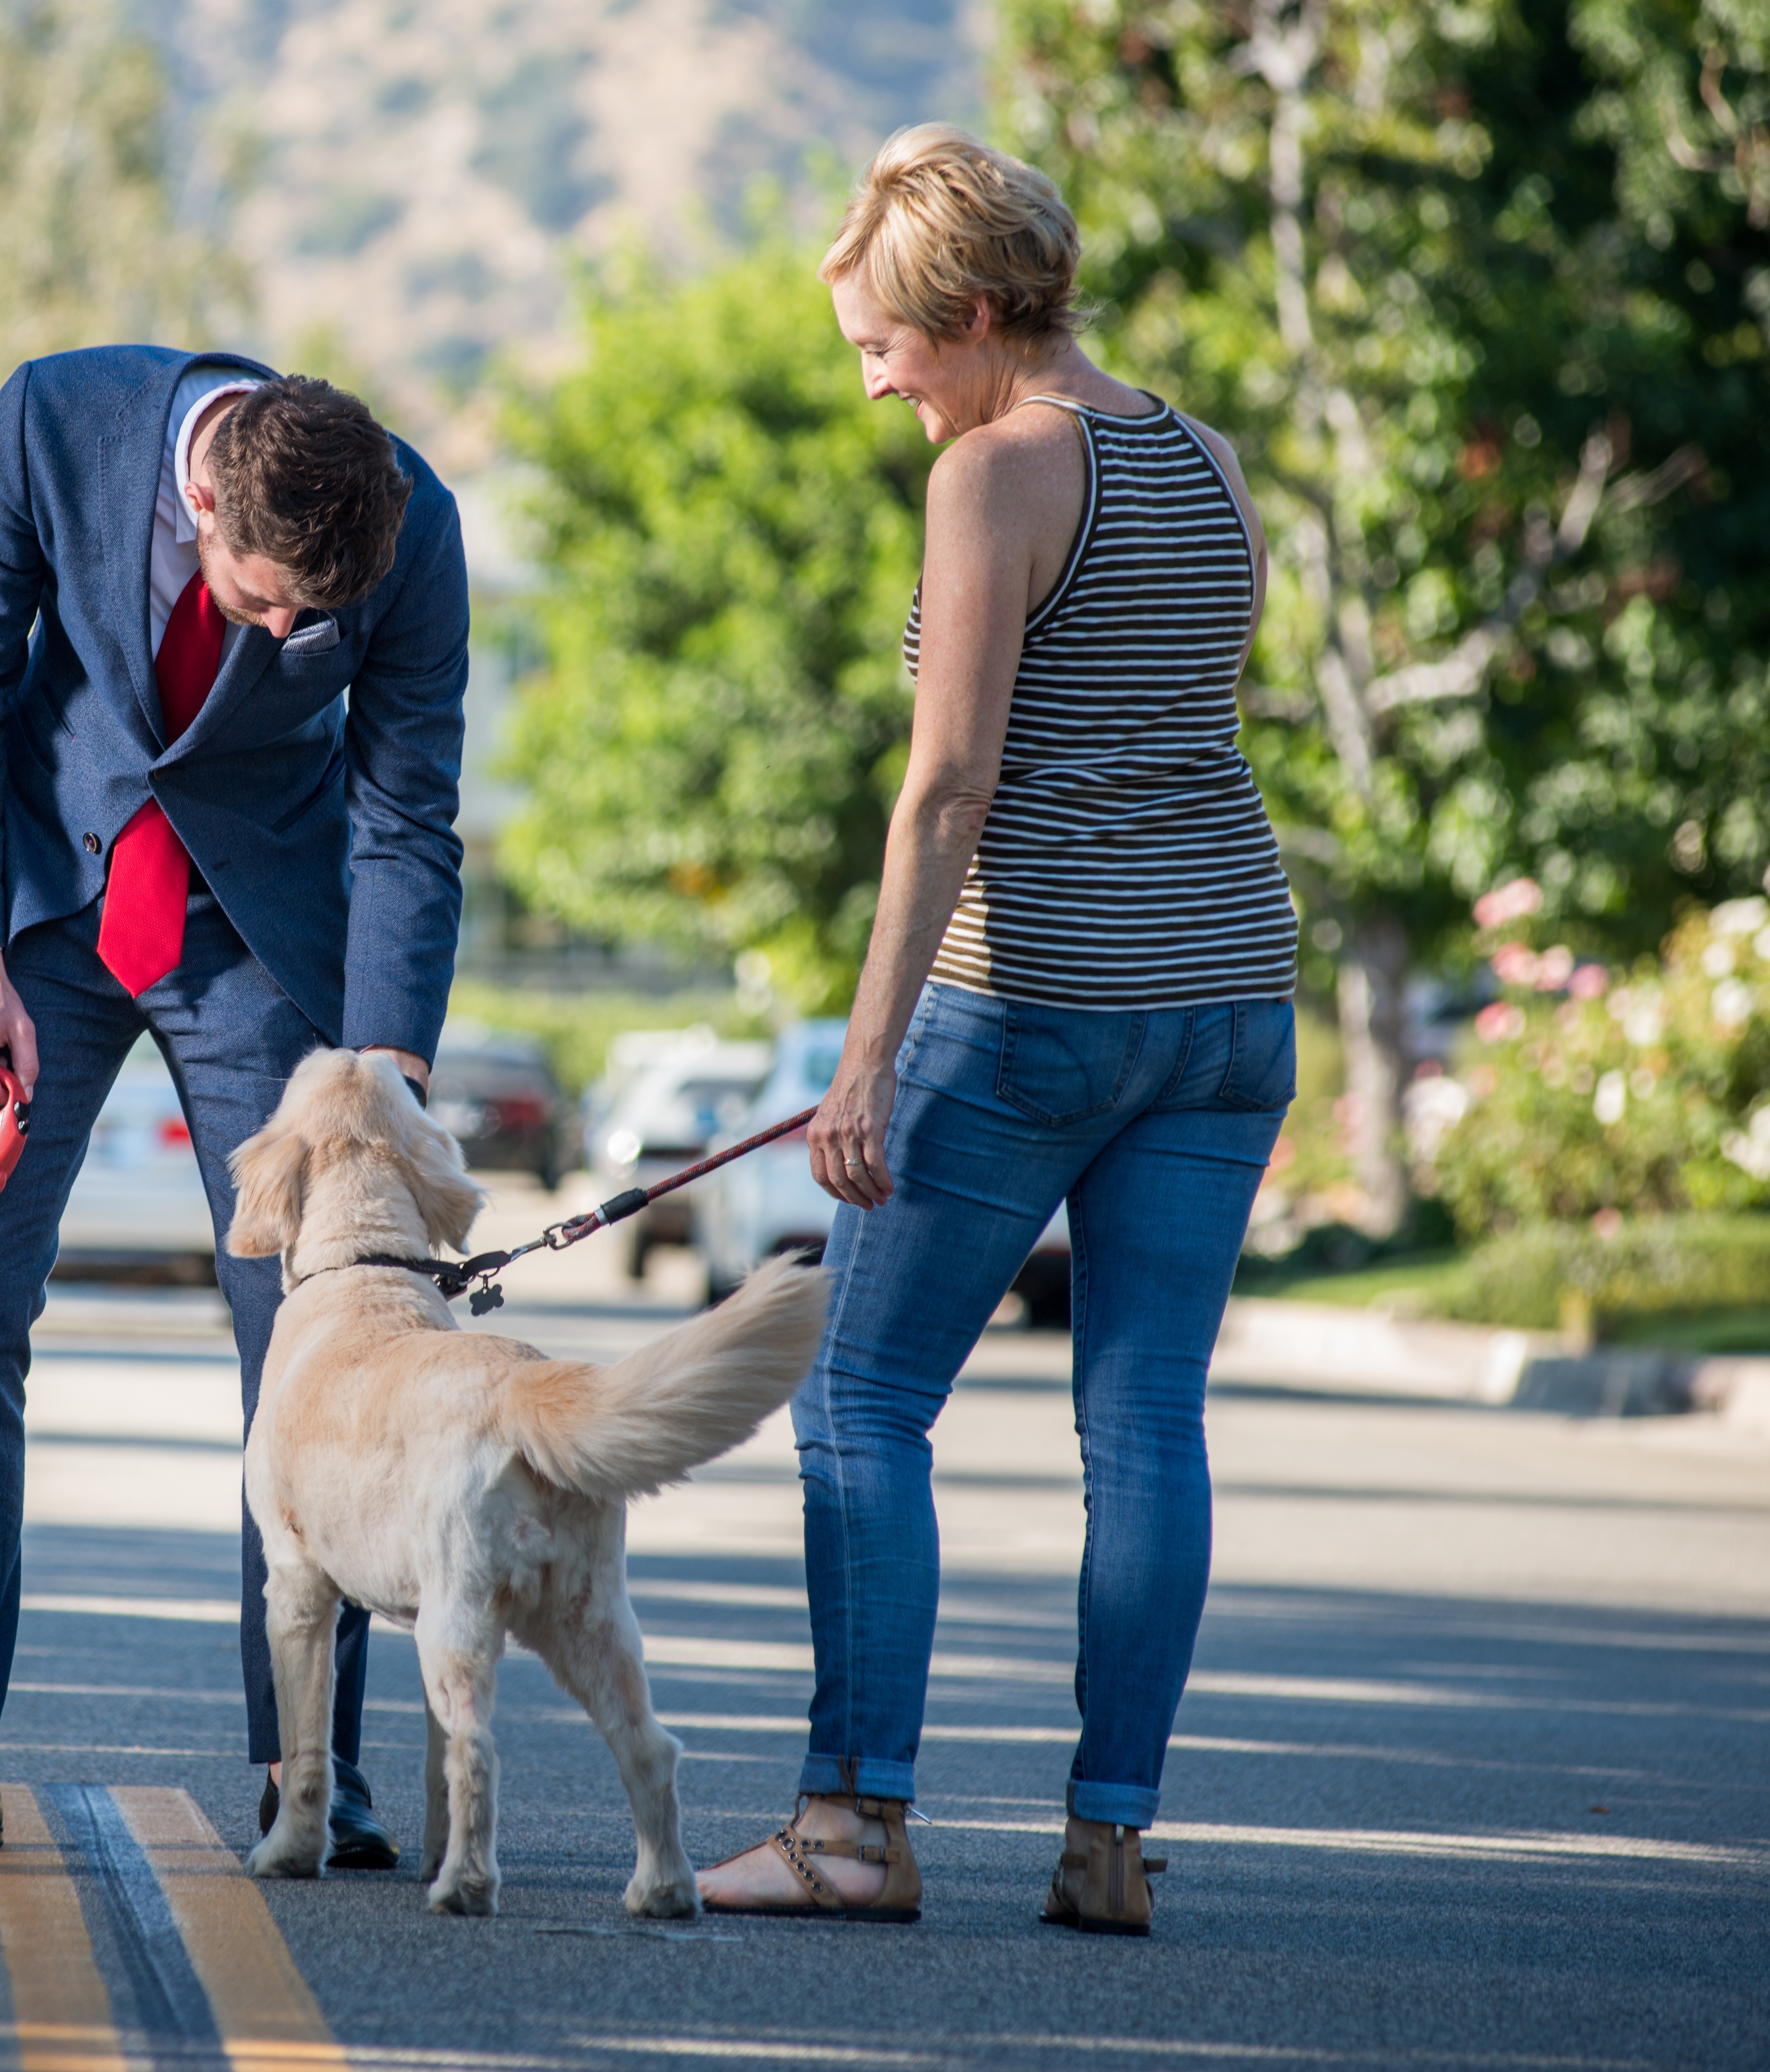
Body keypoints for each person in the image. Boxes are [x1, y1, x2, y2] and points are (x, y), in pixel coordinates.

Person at [694, 125, 1298, 1934]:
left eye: (883, 344)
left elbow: (950, 786)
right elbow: (1179, 726)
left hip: (1038, 997)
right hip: (1228, 996)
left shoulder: (995, 475)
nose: (873, 381)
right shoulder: (1207, 457)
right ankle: (1109, 1841)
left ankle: (852, 1829)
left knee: (864, 1398)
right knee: (1148, 1422)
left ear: (970, 313)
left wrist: (864, 1056)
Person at [0, 352, 470, 1862]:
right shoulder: (52, 425)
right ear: (203, 502)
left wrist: (385, 1071)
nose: (292, 639)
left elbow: (405, 807)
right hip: (44, 908)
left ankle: (310, 1769)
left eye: (315, 621)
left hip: (261, 932)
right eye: (268, 605)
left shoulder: (414, 524)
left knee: (313, 1347)